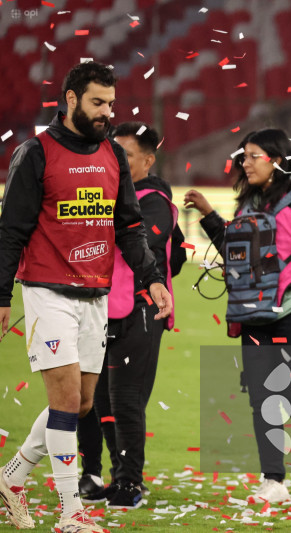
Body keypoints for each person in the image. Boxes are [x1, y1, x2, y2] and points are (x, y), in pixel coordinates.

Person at [0, 61, 171, 532]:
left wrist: (152, 277)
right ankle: (70, 514)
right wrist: (1, 296)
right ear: (71, 99)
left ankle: (11, 478)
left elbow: (130, 227)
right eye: (98, 103)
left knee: (80, 404)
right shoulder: (35, 154)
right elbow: (10, 231)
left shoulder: (114, 156)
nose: (106, 112)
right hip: (47, 293)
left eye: (111, 104)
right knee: (66, 398)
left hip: (96, 295)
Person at [183, 128, 291, 503]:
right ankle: (274, 480)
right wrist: (209, 215)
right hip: (254, 314)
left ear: (277, 159)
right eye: (244, 156)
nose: (245, 162)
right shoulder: (248, 204)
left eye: (254, 155)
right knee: (262, 396)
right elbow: (235, 251)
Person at [75, 121, 185, 509]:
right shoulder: (109, 194)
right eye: (113, 153)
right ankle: (116, 477)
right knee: (100, 400)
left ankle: (129, 483)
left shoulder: (154, 201)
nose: (117, 161)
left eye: (126, 155)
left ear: (149, 160)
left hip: (140, 310)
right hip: (103, 308)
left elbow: (144, 245)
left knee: (124, 400)